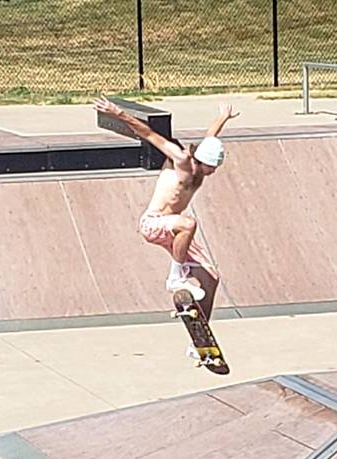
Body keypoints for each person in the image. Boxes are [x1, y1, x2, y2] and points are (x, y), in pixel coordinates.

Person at [93, 97, 239, 304]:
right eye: (212, 167)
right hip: (153, 223)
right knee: (189, 224)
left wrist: (223, 117)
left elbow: (210, 136)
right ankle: (175, 277)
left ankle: (201, 331)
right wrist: (117, 113)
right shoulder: (180, 159)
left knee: (210, 278)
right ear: (202, 160)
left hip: (173, 230)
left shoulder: (203, 154)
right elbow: (149, 134)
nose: (214, 172)